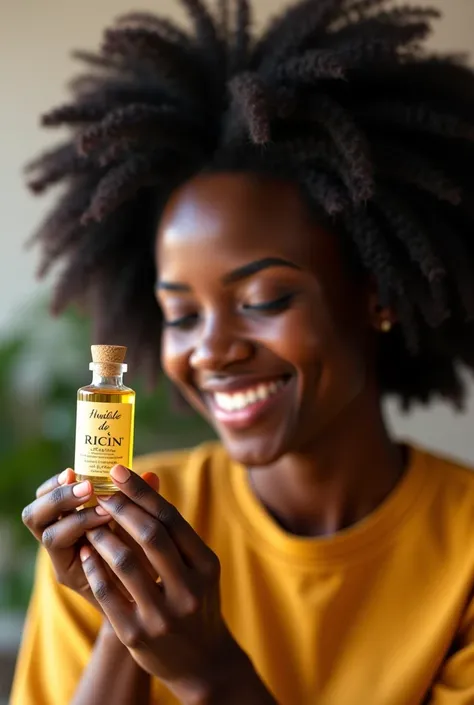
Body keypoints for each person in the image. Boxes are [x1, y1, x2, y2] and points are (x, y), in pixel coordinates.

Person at [10, 1, 474, 703]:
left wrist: (208, 672)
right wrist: (125, 623)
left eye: (263, 299)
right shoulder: (114, 532)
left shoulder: (465, 549)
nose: (212, 351)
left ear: (375, 296)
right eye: (181, 314)